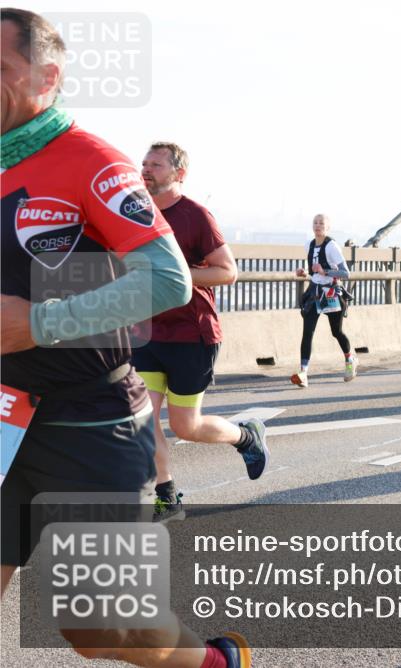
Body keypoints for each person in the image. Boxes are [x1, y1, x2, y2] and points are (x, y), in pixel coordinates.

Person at [0, 8, 250, 666]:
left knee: (101, 631)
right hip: (3, 411)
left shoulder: (92, 161)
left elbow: (168, 278)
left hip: (88, 423)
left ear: (46, 77)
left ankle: (217, 663)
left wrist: (39, 322)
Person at [135, 142, 268, 522]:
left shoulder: (195, 215)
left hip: (192, 335)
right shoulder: (135, 213)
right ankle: (168, 495)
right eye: (143, 163)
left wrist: (179, 275)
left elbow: (227, 271)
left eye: (156, 165)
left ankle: (246, 436)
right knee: (142, 418)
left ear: (179, 174)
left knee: (185, 427)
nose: (146, 170)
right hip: (146, 332)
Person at [291, 214, 358, 387]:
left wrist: (324, 272)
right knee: (308, 332)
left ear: (328, 228)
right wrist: (305, 273)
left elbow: (345, 273)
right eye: (315, 223)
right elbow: (315, 273)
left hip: (331, 294)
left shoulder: (331, 246)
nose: (318, 225)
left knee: (336, 332)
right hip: (314, 293)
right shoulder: (309, 245)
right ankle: (303, 373)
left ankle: (350, 359)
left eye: (322, 223)